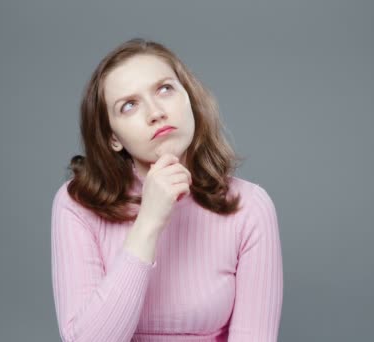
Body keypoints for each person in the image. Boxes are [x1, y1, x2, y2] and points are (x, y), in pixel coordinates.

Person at [50, 37, 283, 342]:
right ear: (113, 138)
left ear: (190, 100)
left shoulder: (250, 206)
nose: (155, 112)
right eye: (129, 105)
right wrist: (148, 223)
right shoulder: (76, 204)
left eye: (164, 89)